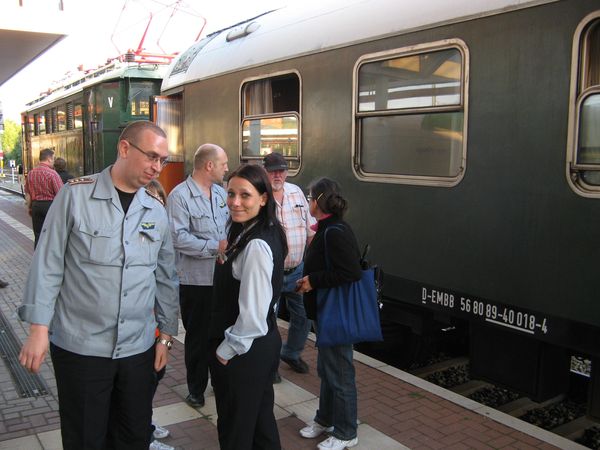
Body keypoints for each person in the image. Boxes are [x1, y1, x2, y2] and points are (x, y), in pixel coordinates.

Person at [17, 120, 179, 450]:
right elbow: (47, 264)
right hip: (82, 349)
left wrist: (165, 336)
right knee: (86, 437)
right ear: (124, 148)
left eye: (162, 159)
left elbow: (165, 277)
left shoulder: (156, 210)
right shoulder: (75, 196)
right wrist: (38, 329)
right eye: (151, 156)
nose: (157, 167)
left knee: (133, 436)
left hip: (137, 348)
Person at [209, 164, 287, 450]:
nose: (235, 202)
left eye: (245, 195)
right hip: (260, 346)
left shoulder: (256, 245)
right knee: (260, 424)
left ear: (263, 198)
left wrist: (224, 351)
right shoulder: (261, 230)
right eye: (231, 194)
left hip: (245, 350)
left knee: (236, 431)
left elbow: (253, 314)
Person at [296, 177, 362, 450]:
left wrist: (314, 280)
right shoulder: (327, 228)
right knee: (327, 369)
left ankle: (347, 432)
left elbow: (351, 272)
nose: (308, 201)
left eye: (310, 196)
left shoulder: (335, 231)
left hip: (335, 315)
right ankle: (325, 419)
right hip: (324, 313)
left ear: (319, 200)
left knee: (340, 373)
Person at [166, 143, 229, 408]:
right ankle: (196, 388)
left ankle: (218, 381)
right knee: (197, 338)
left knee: (221, 333)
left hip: (221, 278)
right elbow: (177, 237)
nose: (227, 168)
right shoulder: (179, 196)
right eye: (224, 163)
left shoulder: (221, 194)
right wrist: (215, 248)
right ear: (209, 165)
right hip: (196, 282)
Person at [263, 152, 315, 380]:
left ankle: (291, 353)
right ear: (265, 172)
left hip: (296, 270)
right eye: (273, 170)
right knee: (268, 320)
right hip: (270, 272)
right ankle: (270, 364)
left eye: (281, 170)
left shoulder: (296, 193)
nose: (278, 174)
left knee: (303, 316)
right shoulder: (260, 196)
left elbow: (310, 229)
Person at [146, 178, 174, 450]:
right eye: (151, 199)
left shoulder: (162, 236)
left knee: (156, 377)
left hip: (157, 329)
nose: (157, 204)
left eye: (160, 200)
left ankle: (148, 424)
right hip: (143, 329)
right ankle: (146, 436)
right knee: (146, 382)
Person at [24, 148, 63, 248]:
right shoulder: (53, 174)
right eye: (53, 159)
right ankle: (49, 258)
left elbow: (28, 193)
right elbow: (61, 193)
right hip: (50, 206)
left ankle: (38, 258)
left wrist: (29, 207)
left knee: (38, 235)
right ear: (49, 159)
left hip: (36, 206)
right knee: (51, 234)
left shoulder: (31, 173)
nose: (54, 161)